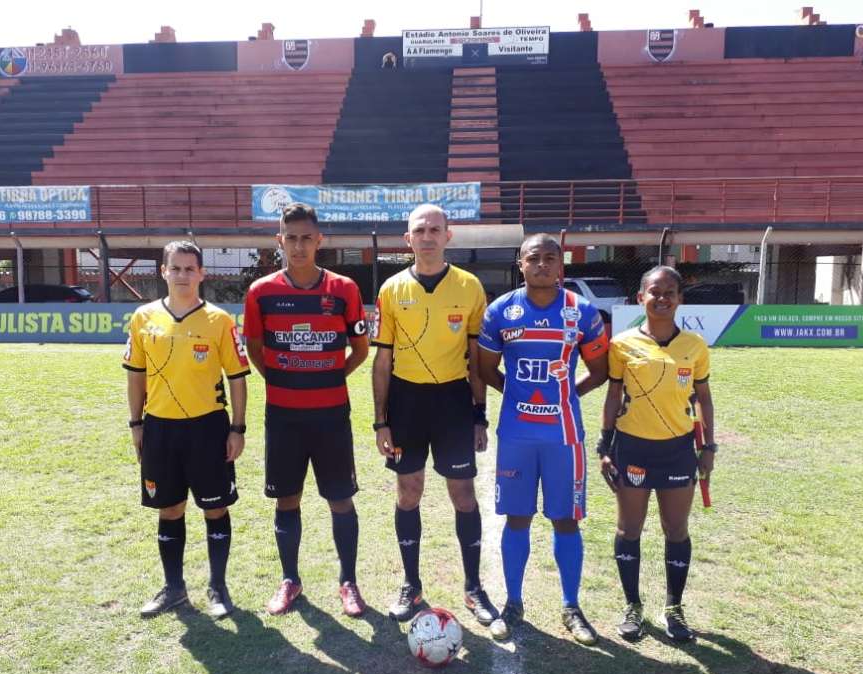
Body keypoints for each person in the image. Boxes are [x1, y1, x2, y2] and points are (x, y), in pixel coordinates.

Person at [478, 234, 610, 644]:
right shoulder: (501, 311)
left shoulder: (582, 312)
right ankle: (513, 603)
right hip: (516, 435)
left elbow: (600, 371)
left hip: (563, 437)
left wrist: (567, 395)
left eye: (550, 258)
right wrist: (517, 393)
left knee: (565, 519)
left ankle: (571, 607)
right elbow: (485, 368)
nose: (541, 265)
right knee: (517, 517)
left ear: (561, 265)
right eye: (533, 258)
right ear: (520, 263)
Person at [371, 203, 499, 625]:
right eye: (419, 230)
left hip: (452, 403)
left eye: (434, 229)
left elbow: (476, 357)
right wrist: (381, 421)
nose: (427, 236)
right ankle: (412, 585)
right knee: (408, 493)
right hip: (406, 404)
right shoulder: (391, 289)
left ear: (448, 235)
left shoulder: (469, 286)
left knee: (463, 494)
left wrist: (479, 415)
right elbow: (382, 361)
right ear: (408, 238)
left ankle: (473, 587)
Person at [244, 203, 370, 617]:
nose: (298, 246)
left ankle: (348, 582)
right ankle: (290, 580)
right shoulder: (261, 292)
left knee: (340, 499)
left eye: (306, 238)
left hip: (331, 415)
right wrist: (283, 379)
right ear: (279, 241)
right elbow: (256, 350)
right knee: (287, 500)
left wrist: (331, 375)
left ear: (319, 240)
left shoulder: (344, 289)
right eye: (291, 238)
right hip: (284, 416)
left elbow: (361, 349)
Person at [123, 240, 249, 619]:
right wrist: (136, 423)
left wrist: (237, 428)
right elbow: (135, 375)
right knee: (169, 507)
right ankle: (174, 588)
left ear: (201, 274)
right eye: (175, 268)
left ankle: (218, 587)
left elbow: (237, 378)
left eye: (189, 269)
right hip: (160, 429)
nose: (182, 275)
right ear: (163, 271)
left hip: (208, 428)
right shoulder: (143, 318)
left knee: (215, 508)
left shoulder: (219, 320)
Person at [598, 265, 716, 642]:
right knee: (628, 529)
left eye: (669, 293)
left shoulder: (695, 345)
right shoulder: (622, 344)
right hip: (631, 447)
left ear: (680, 299)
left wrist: (708, 447)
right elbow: (613, 396)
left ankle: (674, 608)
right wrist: (604, 446)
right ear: (641, 298)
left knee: (676, 530)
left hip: (678, 450)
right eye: (654, 292)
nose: (661, 298)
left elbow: (704, 398)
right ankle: (633, 606)